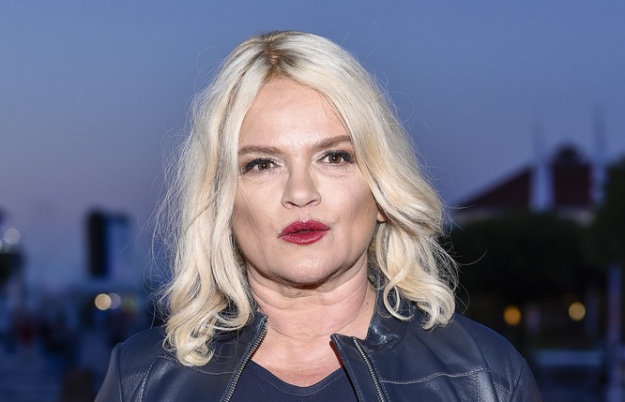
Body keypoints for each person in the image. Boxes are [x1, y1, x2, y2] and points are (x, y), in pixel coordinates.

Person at [96, 30, 542, 401]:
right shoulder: (140, 380)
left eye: (334, 157)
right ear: (221, 202)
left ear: (381, 190)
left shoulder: (487, 377)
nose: (300, 192)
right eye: (262, 164)